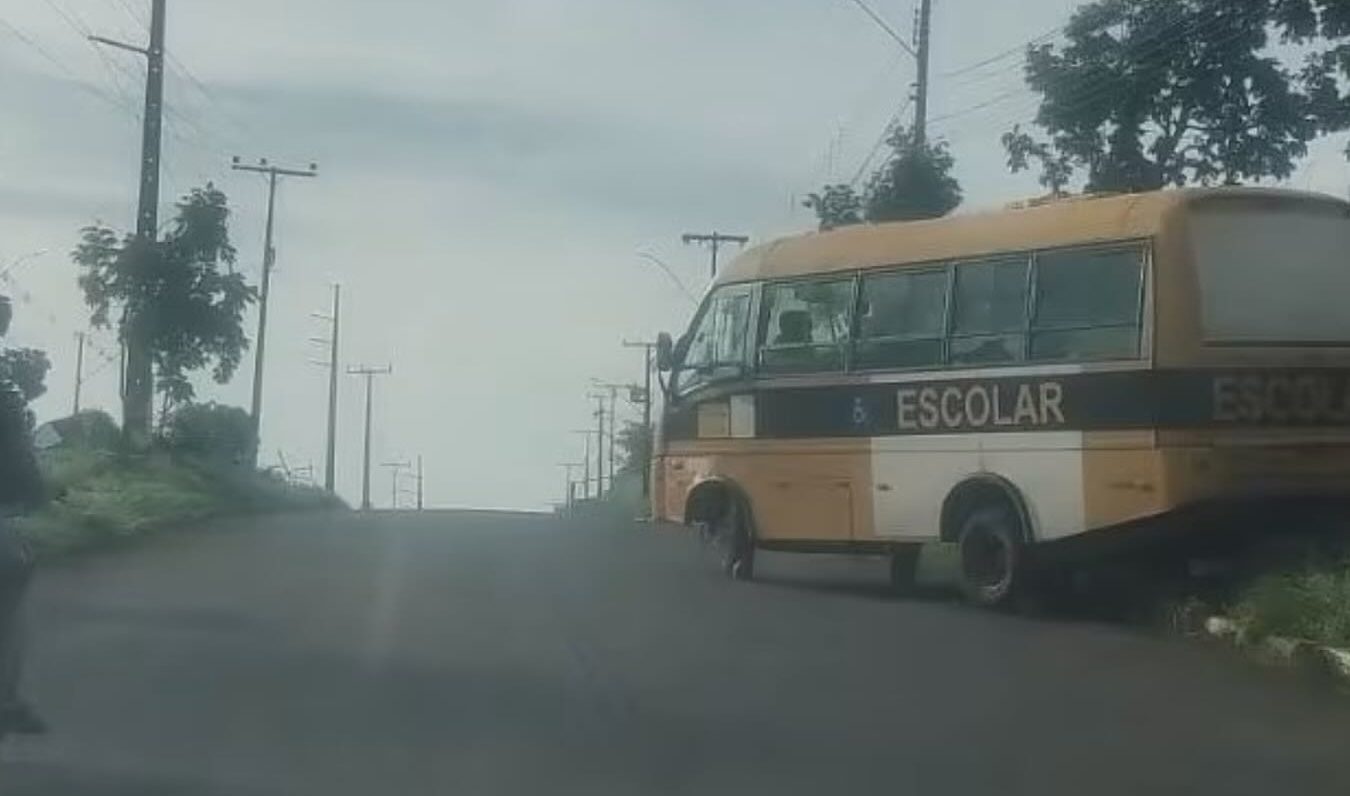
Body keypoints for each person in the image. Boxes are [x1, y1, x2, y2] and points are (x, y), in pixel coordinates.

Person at [0, 296, 45, 736]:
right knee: (10, 595)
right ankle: (5, 703)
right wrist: (37, 493)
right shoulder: (4, 393)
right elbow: (16, 454)